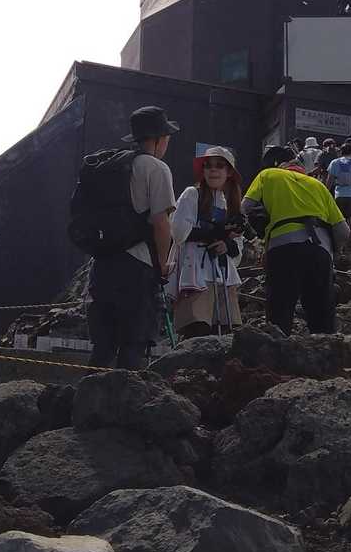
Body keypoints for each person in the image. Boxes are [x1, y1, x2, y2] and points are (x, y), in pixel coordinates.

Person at [87, 105, 177, 368]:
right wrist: (163, 264)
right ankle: (125, 395)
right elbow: (161, 223)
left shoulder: (112, 166)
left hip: (102, 264)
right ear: (159, 138)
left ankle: (90, 393)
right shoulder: (156, 168)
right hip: (137, 267)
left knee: (103, 346)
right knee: (133, 344)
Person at [243, 145, 349, 334]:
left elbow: (243, 208)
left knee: (279, 318)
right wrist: (335, 252)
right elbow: (344, 231)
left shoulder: (268, 175)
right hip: (320, 252)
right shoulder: (318, 185)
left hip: (282, 250)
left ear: (275, 164)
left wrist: (250, 236)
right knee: (322, 321)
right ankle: (325, 349)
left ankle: (278, 350)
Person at [169, 146, 246, 337]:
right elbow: (178, 231)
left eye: (219, 165)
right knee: (197, 330)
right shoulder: (192, 194)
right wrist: (212, 233)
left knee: (227, 332)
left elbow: (238, 248)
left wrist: (226, 244)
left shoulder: (231, 204)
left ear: (229, 172)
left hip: (223, 275)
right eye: (208, 165)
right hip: (195, 272)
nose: (213, 170)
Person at [325, 140, 351, 244]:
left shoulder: (334, 162)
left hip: (339, 194)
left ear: (341, 151)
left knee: (339, 222)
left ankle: (340, 245)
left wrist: (325, 192)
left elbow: (330, 180)